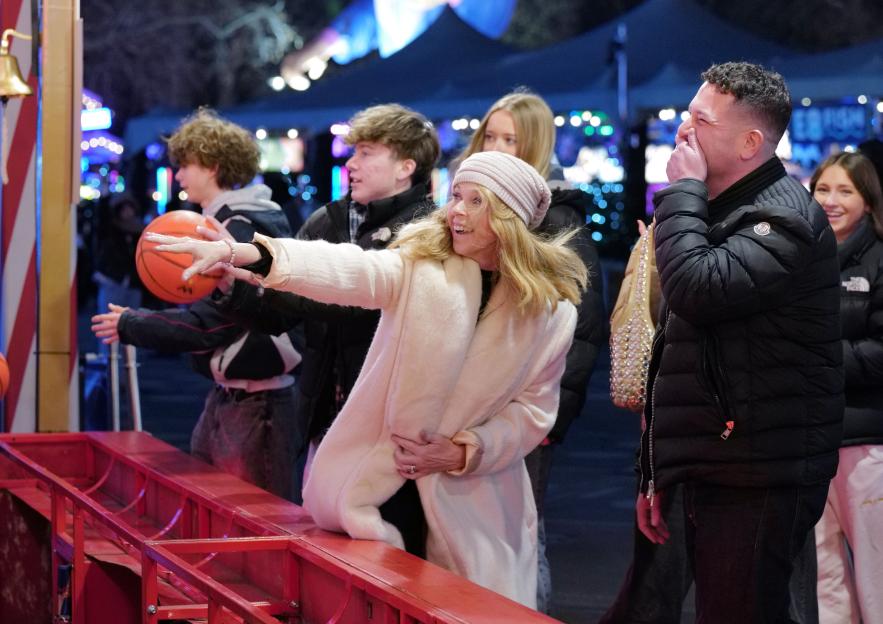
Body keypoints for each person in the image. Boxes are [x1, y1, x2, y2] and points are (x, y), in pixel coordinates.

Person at [148, 150, 588, 609]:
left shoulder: (551, 314)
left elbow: (534, 413)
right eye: (456, 195)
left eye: (476, 201)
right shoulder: (421, 270)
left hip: (477, 505)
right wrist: (246, 254)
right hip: (383, 488)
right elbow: (348, 269)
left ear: (509, 217)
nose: (456, 211)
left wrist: (464, 451)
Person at [637, 62, 844, 623]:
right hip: (720, 459)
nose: (683, 131)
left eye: (700, 121)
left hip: (761, 468)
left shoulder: (783, 215)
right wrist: (655, 468)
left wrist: (679, 189)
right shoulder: (722, 205)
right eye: (687, 114)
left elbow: (695, 290)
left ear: (752, 142)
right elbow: (678, 351)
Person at [216, 104, 440, 515]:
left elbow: (355, 306)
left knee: (389, 554)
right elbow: (278, 319)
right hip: (324, 413)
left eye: (366, 153)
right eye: (352, 152)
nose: (350, 163)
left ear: (406, 167)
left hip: (392, 426)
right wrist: (232, 283)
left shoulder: (429, 230)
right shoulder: (328, 219)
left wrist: (265, 270)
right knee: (326, 541)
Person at [90, 109, 302, 500]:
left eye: (186, 164)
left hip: (258, 402)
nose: (180, 174)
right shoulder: (230, 221)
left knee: (252, 524)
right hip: (237, 395)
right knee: (220, 514)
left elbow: (216, 322)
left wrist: (135, 324)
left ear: (214, 165)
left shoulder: (241, 227)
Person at [455, 90, 606, 613]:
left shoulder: (559, 224)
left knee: (521, 543)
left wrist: (547, 423)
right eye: (490, 136)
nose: (497, 147)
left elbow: (582, 333)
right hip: (463, 411)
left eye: (511, 140)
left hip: (521, 418)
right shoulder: (465, 212)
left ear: (536, 147)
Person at [809, 152, 883, 624]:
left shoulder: (878, 259)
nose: (831, 201)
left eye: (844, 191)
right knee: (822, 580)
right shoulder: (800, 258)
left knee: (877, 578)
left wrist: (816, 362)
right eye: (822, 190)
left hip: (867, 444)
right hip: (809, 443)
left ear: (868, 200)